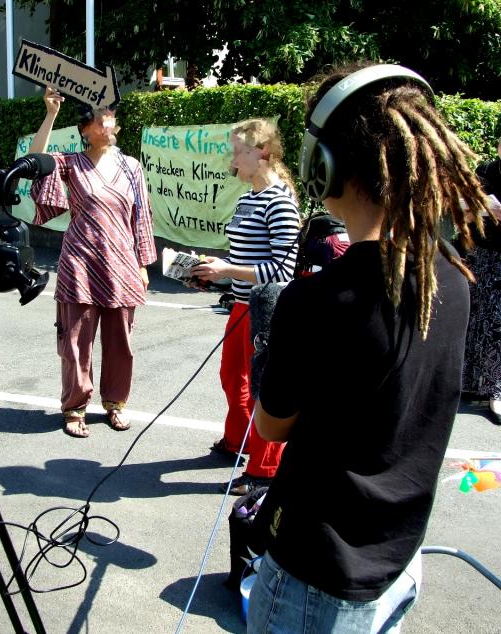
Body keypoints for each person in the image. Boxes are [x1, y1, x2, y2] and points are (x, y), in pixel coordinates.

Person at [247, 63, 489, 632]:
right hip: (397, 560)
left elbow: (271, 426)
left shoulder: (317, 302)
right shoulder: (450, 276)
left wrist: (271, 344)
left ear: (324, 167)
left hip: (317, 578)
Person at [28, 87, 157, 438]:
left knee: (121, 344)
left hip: (123, 264)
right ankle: (74, 407)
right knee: (75, 343)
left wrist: (144, 265)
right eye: (102, 119)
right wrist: (51, 114)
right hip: (79, 264)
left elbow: (141, 218)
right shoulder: (70, 163)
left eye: (111, 117)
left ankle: (116, 404)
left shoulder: (132, 167)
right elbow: (33, 163)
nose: (109, 123)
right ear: (85, 129)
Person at [191, 118, 300, 495]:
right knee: (230, 377)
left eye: (239, 151)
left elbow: (281, 269)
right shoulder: (248, 197)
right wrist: (212, 272)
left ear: (263, 153)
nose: (232, 160)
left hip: (266, 310)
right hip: (240, 305)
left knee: (262, 389)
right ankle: (240, 442)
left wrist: (228, 269)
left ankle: (264, 470)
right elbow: (244, 254)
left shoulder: (280, 201)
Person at [463, 137, 501, 425]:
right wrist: (478, 206)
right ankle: (473, 383)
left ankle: (496, 390)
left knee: (497, 325)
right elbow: (464, 203)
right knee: (477, 318)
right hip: (481, 252)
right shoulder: (487, 170)